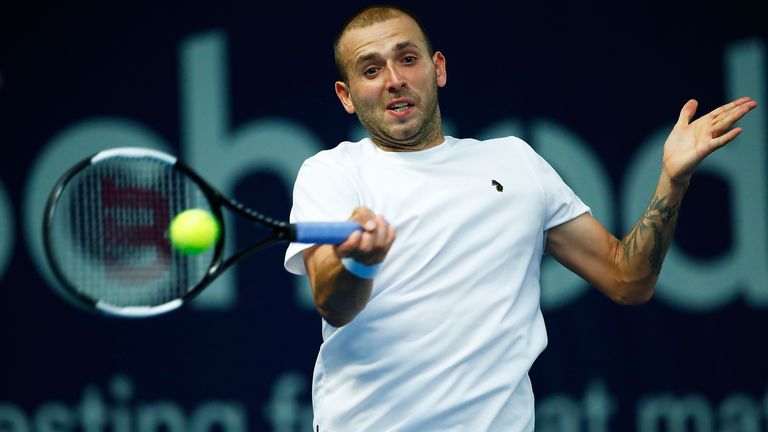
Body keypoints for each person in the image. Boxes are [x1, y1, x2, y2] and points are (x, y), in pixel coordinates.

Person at [283, 5, 758, 431]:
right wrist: (362, 261)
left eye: (408, 58)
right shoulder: (331, 173)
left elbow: (628, 280)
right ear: (346, 96)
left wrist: (671, 182)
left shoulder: (516, 162)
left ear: (438, 68)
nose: (393, 79)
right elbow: (333, 302)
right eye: (371, 69)